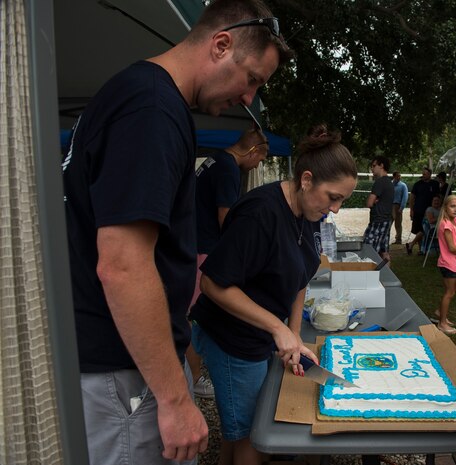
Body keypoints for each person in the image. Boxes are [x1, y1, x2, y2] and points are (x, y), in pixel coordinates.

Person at [60, 1, 292, 463]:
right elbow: (123, 264)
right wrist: (174, 399)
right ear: (221, 44)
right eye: (252, 80)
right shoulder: (151, 109)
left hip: (122, 362)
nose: (248, 99)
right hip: (121, 369)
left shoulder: (141, 96)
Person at [189, 125, 357, 465]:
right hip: (233, 339)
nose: (336, 209)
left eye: (342, 201)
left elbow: (300, 276)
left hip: (260, 335)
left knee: (244, 427)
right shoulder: (259, 213)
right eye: (334, 197)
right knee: (253, 434)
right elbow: (212, 284)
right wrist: (276, 328)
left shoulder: (307, 211)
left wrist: (294, 331)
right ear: (307, 179)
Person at [188, 127, 270, 398]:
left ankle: (199, 372)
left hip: (194, 242)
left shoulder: (214, 159)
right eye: (260, 159)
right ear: (253, 150)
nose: (257, 165)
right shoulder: (228, 168)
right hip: (205, 248)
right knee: (197, 316)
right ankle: (196, 379)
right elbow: (227, 219)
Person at [434, 194, 456, 335]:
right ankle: (442, 324)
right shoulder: (446, 224)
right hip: (447, 263)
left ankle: (439, 311)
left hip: (455, 262)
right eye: (452, 206)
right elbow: (452, 247)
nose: (455, 209)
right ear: (445, 207)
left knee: (455, 288)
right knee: (449, 292)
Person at [363, 156, 394, 262]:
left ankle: (370, 276)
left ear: (381, 166)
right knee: (384, 252)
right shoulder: (389, 182)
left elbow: (369, 203)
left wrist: (373, 201)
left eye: (374, 165)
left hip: (378, 221)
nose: (372, 168)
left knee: (369, 251)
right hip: (386, 220)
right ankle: (388, 278)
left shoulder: (380, 182)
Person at [406, 167, 440, 254]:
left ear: (430, 174)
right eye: (423, 173)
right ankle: (421, 249)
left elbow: (439, 196)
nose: (423, 175)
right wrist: (411, 210)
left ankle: (411, 244)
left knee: (424, 230)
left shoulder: (435, 184)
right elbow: (412, 197)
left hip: (429, 211)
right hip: (418, 210)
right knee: (419, 230)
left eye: (425, 174)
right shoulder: (417, 184)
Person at [391, 171, 409, 244]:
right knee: (389, 222)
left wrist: (401, 207)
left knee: (398, 223)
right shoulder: (391, 185)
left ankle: (398, 239)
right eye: (397, 176)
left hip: (397, 205)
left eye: (399, 176)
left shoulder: (403, 186)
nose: (399, 177)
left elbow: (405, 197)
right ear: (394, 177)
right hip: (390, 205)